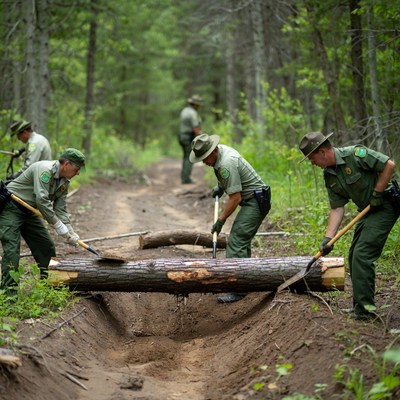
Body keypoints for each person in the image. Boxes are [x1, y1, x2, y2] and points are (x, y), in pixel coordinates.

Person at [299, 131, 399, 320]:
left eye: (312, 159)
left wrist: (378, 193)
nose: (312, 164)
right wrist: (328, 238)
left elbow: (389, 165)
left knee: (362, 255)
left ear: (322, 152)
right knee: (354, 254)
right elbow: (337, 208)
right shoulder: (329, 175)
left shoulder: (355, 155)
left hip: (385, 204)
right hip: (368, 209)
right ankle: (359, 305)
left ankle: (365, 312)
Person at [190, 133, 271, 303]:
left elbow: (235, 198)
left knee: (237, 241)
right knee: (242, 240)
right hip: (254, 198)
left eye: (205, 158)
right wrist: (221, 186)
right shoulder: (221, 152)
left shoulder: (226, 163)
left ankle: (238, 289)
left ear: (213, 151)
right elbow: (232, 179)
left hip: (255, 201)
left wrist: (220, 221)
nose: (204, 162)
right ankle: (246, 278)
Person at [0, 148, 85, 291]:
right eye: (77, 169)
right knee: (12, 251)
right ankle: (9, 294)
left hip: (29, 210)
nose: (78, 173)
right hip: (12, 207)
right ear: (67, 165)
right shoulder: (45, 170)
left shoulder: (64, 182)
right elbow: (42, 200)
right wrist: (57, 225)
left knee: (46, 246)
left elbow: (61, 209)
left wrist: (70, 232)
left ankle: (51, 285)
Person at [179, 95, 202, 184]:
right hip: (188, 137)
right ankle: (186, 179)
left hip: (182, 136)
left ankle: (184, 176)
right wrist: (201, 139)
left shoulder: (184, 111)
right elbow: (195, 128)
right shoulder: (193, 113)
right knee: (189, 157)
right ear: (195, 104)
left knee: (185, 156)